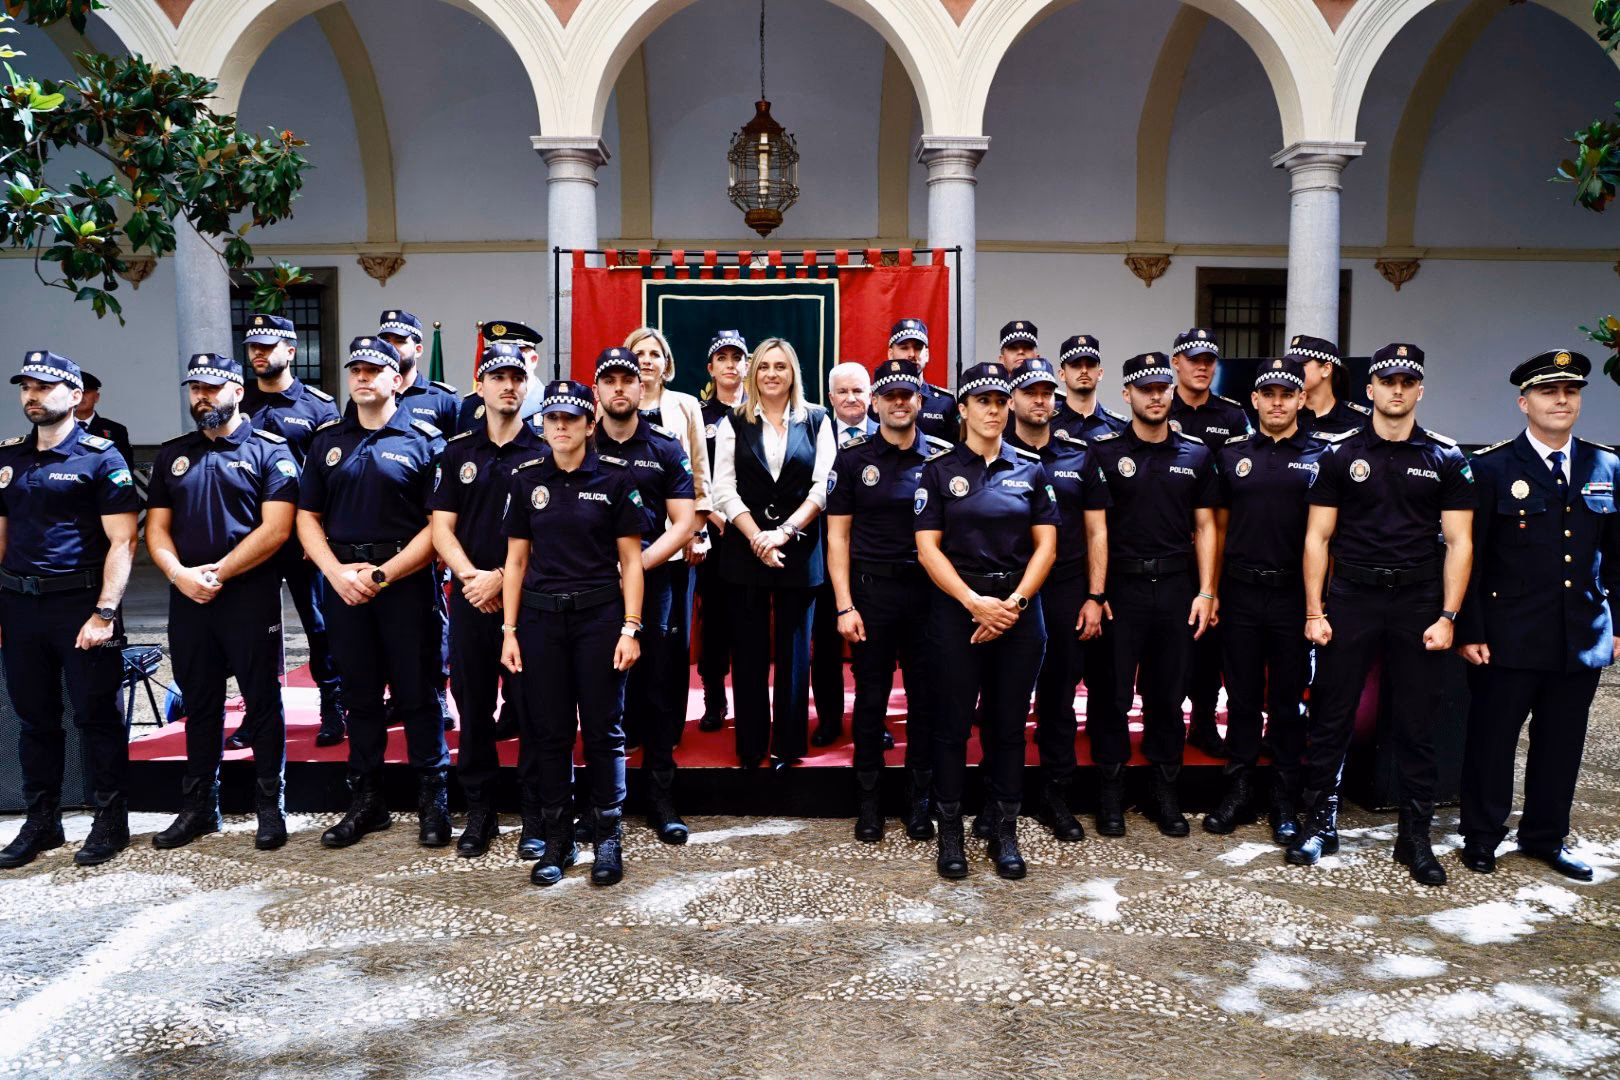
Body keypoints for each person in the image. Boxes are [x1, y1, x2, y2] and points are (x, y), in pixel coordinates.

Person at [1292, 343, 1474, 885]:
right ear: (1369, 389)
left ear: (1419, 390)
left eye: (1407, 382)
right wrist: (1313, 610)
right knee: (1331, 714)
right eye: (1386, 381)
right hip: (1352, 598)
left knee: (1417, 723)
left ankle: (1414, 837)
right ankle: (1319, 822)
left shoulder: (1446, 456)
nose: (1397, 390)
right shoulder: (1340, 454)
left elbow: (1459, 542)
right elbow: (1317, 537)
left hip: (1418, 602)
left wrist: (1448, 615)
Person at [1457, 349, 1619, 881]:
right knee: (1493, 739)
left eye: (1571, 391)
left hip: (1580, 633)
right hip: (1508, 636)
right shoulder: (1492, 467)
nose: (1562, 400)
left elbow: (1616, 556)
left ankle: (1546, 836)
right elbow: (1471, 558)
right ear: (1524, 402)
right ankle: (1482, 835)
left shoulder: (1607, 465)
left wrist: (1618, 627)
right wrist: (1471, 629)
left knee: (1563, 743)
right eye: (1549, 391)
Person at [296, 336, 451, 850]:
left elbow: (439, 528)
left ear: (396, 379)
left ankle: (435, 799)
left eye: (373, 369)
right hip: (343, 584)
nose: (362, 377)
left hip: (404, 582)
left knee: (419, 693)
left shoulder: (425, 441)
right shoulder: (326, 441)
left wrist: (382, 575)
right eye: (355, 369)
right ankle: (367, 800)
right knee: (359, 696)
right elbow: (307, 518)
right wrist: (336, 574)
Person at [146, 353, 299, 852]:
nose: (202, 397)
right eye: (194, 388)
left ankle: (270, 808)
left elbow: (276, 529)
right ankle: (199, 808)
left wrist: (219, 572)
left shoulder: (270, 452)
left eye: (212, 387)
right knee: (200, 702)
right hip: (188, 594)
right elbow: (158, 531)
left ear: (237, 388)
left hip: (247, 595)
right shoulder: (172, 455)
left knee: (262, 702)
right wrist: (178, 574)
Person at [915, 360, 1058, 880]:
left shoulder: (1030, 469)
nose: (994, 410)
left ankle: (1003, 827)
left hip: (1019, 611)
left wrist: (1014, 605)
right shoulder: (939, 470)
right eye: (983, 402)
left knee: (1008, 727)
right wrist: (975, 603)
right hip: (958, 611)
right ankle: (950, 828)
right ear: (964, 409)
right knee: (951, 726)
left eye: (1001, 401)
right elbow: (928, 550)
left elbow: (1047, 546)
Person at [501, 379, 645, 887]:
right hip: (540, 622)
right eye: (552, 419)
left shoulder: (613, 478)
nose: (560, 426)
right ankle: (559, 840)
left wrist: (631, 628)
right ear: (543, 426)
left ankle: (608, 837)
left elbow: (631, 561)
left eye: (571, 418)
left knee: (605, 732)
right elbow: (516, 562)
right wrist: (509, 630)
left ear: (589, 424)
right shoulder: (524, 479)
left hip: (599, 620)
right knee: (549, 733)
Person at [0, 351, 140, 869]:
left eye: (45, 386)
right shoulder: (8, 458)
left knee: (96, 716)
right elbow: (1, 537)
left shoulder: (102, 457)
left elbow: (123, 543)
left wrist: (104, 613)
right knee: (34, 719)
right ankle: (42, 821)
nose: (32, 395)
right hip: (20, 605)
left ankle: (110, 821)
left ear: (75, 395)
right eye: (26, 387)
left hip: (81, 604)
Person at [1086, 352, 1220, 838]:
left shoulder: (1196, 454)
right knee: (1113, 694)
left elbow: (1206, 527)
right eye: (1146, 389)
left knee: (1169, 693)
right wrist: (1096, 594)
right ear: (1127, 395)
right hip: (1122, 588)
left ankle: (1164, 792)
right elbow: (1094, 532)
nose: (1157, 396)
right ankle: (1112, 791)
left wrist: (1207, 590)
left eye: (1163, 387)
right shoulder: (1101, 453)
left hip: (1178, 587)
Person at [429, 343, 546, 858]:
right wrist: (472, 577)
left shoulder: (545, 451)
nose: (509, 386)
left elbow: (551, 531)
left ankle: (535, 813)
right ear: (479, 386)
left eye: (517, 377)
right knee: (474, 711)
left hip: (527, 604)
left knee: (531, 711)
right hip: (471, 600)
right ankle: (480, 811)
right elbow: (440, 527)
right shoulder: (457, 453)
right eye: (498, 376)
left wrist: (502, 577)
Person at [826, 358, 951, 841]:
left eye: (908, 394)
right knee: (872, 699)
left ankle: (918, 801)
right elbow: (837, 539)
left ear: (920, 400)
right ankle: (870, 802)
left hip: (928, 596)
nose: (900, 403)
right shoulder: (854, 459)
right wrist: (843, 604)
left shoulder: (941, 457)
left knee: (925, 701)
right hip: (871, 595)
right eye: (890, 395)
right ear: (875, 402)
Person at [1207, 357, 1331, 841]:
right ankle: (1237, 789)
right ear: (1254, 400)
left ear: (1302, 399)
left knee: (1286, 702)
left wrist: (1318, 604)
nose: (1277, 402)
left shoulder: (1324, 454)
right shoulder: (1231, 454)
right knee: (1238, 697)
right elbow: (1215, 529)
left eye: (1287, 393)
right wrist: (1211, 590)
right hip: (1239, 591)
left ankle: (1283, 795)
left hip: (1291, 596)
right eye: (1268, 394)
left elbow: (1330, 537)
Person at [709, 338, 834, 770]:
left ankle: (788, 744)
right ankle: (750, 745)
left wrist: (783, 531)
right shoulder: (732, 423)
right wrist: (756, 536)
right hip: (745, 551)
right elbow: (722, 487)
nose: (772, 374)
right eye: (764, 367)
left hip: (799, 549)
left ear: (793, 372)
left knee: (796, 653)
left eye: (781, 366)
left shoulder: (818, 419)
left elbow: (822, 487)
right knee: (748, 652)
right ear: (752, 373)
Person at [1004, 357, 1110, 842]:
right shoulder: (995, 454)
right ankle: (999, 797)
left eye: (1047, 392)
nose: (1041, 400)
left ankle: (1055, 795)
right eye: (1031, 392)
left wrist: (1095, 595)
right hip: (1007, 590)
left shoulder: (1079, 455)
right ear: (1013, 400)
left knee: (1059, 699)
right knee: (1002, 698)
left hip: (1066, 591)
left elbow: (1096, 531)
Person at [593, 346, 697, 843]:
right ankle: (598, 801)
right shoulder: (577, 443)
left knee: (656, 688)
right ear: (597, 390)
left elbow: (685, 524)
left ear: (642, 387)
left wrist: (634, 566)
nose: (618, 388)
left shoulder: (665, 447)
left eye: (626, 380)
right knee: (597, 692)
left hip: (654, 583)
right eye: (608, 380)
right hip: (590, 586)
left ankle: (660, 795)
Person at [240, 312, 346, 746]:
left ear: (291, 349)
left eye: (268, 346)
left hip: (303, 539)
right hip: (253, 537)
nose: (259, 354)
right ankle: (259, 712)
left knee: (321, 626)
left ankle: (332, 705)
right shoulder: (239, 402)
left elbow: (332, 476)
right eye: (253, 347)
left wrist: (320, 537)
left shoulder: (318, 406)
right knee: (252, 629)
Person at [625, 327, 711, 767]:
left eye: (654, 353)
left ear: (666, 362)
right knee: (629, 635)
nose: (646, 360)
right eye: (638, 353)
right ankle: (631, 725)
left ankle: (669, 725)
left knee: (670, 643)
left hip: (677, 546)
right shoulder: (614, 408)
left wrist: (698, 531)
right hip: (623, 554)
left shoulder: (686, 406)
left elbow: (700, 472)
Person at [1168, 328, 1251, 761]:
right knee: (1171, 643)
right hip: (1170, 541)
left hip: (1220, 541)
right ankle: (1166, 720)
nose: (1202, 367)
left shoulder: (1233, 417)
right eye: (1194, 358)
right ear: (1176, 362)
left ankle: (1203, 720)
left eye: (1209, 360)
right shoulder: (1162, 407)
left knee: (1210, 641)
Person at [812, 361, 877, 747]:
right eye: (843, 392)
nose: (851, 399)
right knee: (825, 644)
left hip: (871, 558)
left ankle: (873, 720)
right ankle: (830, 719)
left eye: (858, 391)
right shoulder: (813, 433)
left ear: (870, 395)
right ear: (831, 397)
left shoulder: (887, 435)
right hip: (822, 554)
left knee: (873, 648)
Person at [696, 330, 747, 732]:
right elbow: (697, 474)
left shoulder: (763, 412)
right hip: (718, 534)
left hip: (759, 533)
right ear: (711, 367)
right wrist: (717, 518)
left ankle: (752, 699)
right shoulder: (701, 415)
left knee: (751, 621)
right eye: (723, 358)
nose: (731, 364)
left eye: (737, 357)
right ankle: (714, 698)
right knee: (714, 622)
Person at [376, 309, 460, 435]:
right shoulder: (368, 395)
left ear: (418, 350)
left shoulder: (443, 399)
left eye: (399, 341)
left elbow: (458, 451)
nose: (391, 348)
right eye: (386, 342)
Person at [459, 320, 545, 431]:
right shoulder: (472, 404)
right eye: (497, 353)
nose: (507, 358)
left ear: (533, 360)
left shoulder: (552, 402)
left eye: (516, 354)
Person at [885, 319, 958, 446]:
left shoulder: (945, 402)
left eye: (918, 348)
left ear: (927, 354)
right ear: (890, 354)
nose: (912, 354)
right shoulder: (878, 398)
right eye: (904, 348)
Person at [1050, 335, 1128, 442]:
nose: (1084, 370)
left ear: (1100, 373)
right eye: (1076, 365)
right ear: (1062, 374)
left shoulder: (1121, 427)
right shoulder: (1046, 424)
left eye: (1090, 365)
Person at [1292, 335, 1371, 437]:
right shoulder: (1286, 416)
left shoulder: (1360, 419)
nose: (1292, 370)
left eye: (1301, 365)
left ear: (1326, 369)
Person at [73, 371, 134, 468]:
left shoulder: (116, 430)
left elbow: (125, 469)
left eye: (86, 392)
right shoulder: (54, 428)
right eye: (77, 392)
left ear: (97, 397)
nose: (81, 397)